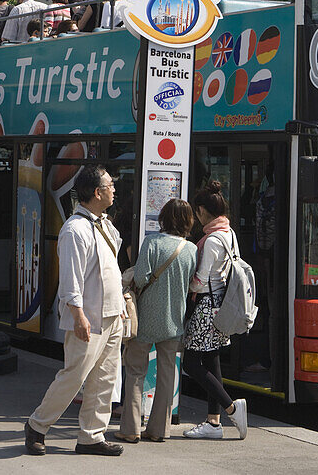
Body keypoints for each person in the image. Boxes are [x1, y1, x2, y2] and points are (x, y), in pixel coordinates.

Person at [26, 166, 126, 457]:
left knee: (105, 379)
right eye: (110, 185)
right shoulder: (75, 229)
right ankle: (37, 425)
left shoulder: (106, 225)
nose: (114, 189)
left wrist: (119, 306)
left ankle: (92, 436)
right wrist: (79, 316)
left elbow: (111, 270)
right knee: (75, 376)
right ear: (97, 192)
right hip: (89, 317)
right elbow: (71, 280)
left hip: (110, 314)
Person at [115, 199, 197, 444]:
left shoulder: (152, 242)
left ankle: (130, 429)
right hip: (174, 320)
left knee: (135, 372)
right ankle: (159, 429)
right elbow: (192, 282)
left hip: (146, 319)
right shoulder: (191, 249)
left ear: (163, 218)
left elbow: (140, 278)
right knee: (166, 375)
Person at [181, 181, 248, 440]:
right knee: (211, 359)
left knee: (191, 362)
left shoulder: (211, 240)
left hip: (207, 305)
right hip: (222, 304)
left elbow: (201, 279)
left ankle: (232, 407)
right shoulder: (229, 233)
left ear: (201, 211)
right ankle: (213, 422)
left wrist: (187, 286)